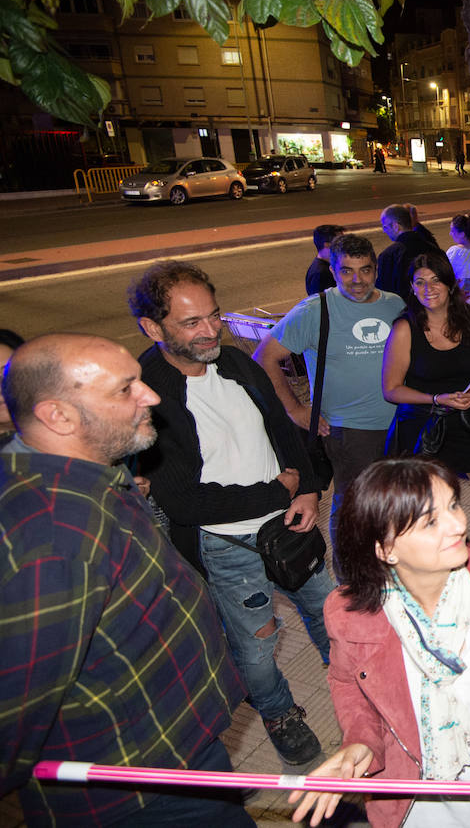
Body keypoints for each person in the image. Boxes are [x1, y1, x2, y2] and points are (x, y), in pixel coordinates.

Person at [1, 334, 250, 826]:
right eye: (125, 389)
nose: (151, 395)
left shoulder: (85, 474)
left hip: (175, 753)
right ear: (59, 416)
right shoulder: (54, 538)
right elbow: (13, 710)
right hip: (138, 792)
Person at [291, 457, 470, 828]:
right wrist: (360, 743)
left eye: (453, 504)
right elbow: (348, 685)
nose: (459, 523)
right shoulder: (348, 613)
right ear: (385, 549)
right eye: (431, 521)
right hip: (417, 802)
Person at [130, 262, 332, 765]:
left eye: (214, 316)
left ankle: (362, 681)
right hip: (227, 548)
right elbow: (184, 501)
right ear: (153, 329)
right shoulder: (148, 396)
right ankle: (278, 712)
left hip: (289, 524)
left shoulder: (235, 362)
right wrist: (274, 491)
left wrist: (305, 489)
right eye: (191, 323)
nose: (211, 330)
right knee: (258, 648)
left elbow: (281, 430)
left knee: (332, 612)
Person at [255, 233, 405, 533]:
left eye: (365, 270)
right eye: (346, 271)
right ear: (333, 271)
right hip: (349, 431)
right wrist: (294, 409)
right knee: (354, 509)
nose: (357, 280)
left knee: (394, 505)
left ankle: (388, 566)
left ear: (376, 270)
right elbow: (263, 358)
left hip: (400, 423)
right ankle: (352, 575)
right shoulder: (314, 310)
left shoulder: (395, 304)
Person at [382, 254, 470, 543]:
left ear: (450, 284)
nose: (428, 288)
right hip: (422, 426)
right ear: (411, 288)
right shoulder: (404, 328)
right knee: (419, 512)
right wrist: (437, 398)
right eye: (420, 282)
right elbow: (391, 389)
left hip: (467, 419)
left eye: (436, 280)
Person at [377, 203, 446, 297]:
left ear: (396, 226)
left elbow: (384, 293)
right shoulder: (435, 249)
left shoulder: (389, 256)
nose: (384, 231)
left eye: (385, 227)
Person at [306, 224, 343, 296]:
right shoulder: (320, 273)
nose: (345, 244)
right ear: (327, 244)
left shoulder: (329, 265)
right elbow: (319, 303)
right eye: (341, 240)